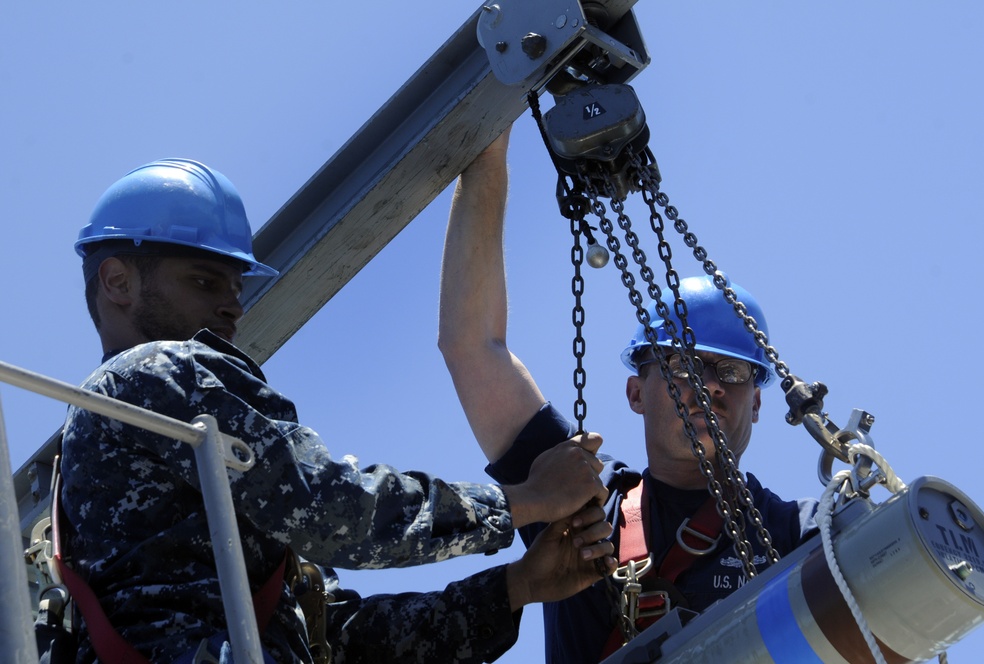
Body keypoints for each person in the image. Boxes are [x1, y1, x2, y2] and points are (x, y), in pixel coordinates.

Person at [60, 157, 616, 663]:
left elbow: (337, 637)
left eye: (236, 286)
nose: (233, 306)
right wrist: (523, 500)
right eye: (205, 282)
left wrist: (518, 585)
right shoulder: (154, 372)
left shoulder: (140, 431)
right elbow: (330, 508)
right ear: (117, 282)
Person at [438, 128, 822, 663]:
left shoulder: (798, 534)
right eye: (684, 365)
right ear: (636, 393)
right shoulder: (581, 499)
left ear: (756, 402)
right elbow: (472, 346)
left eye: (733, 372)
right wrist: (488, 144)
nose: (711, 385)